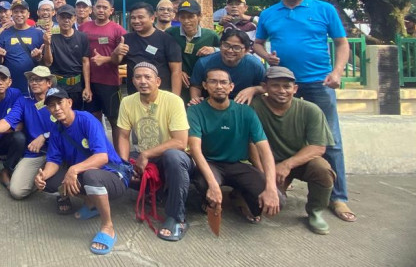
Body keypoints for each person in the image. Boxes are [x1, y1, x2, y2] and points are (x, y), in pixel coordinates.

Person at [253, 0, 356, 223]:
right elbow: (257, 43)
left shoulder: (324, 10)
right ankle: (278, 181)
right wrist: (266, 56)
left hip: (318, 83)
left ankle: (338, 197)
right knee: (273, 135)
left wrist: (337, 72)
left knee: (330, 141)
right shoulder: (268, 14)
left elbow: (342, 43)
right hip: (281, 84)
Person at [35, 87, 131, 256]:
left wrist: (74, 169)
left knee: (90, 175)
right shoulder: (57, 129)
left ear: (69, 103)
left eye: (60, 103)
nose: (56, 108)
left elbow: (102, 157)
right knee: (50, 182)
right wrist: (42, 175)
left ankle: (108, 227)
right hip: (87, 175)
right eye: (51, 106)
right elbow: (54, 160)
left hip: (114, 176)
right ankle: (92, 203)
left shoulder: (86, 119)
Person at [187, 68, 280, 225]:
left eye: (223, 82)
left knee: (274, 202)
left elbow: (264, 150)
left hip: (238, 164)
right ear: (205, 85)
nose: (219, 86)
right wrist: (213, 185)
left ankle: (239, 195)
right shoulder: (195, 111)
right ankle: (209, 197)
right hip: (211, 164)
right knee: (204, 184)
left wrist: (271, 187)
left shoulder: (246, 112)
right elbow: (195, 149)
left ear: (231, 87)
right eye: (213, 82)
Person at [250, 66, 336, 234]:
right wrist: (265, 176)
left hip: (300, 160)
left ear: (295, 89)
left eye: (287, 86)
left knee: (323, 169)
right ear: (265, 87)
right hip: (269, 164)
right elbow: (250, 144)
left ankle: (315, 211)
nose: (281, 91)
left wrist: (288, 164)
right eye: (275, 85)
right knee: (261, 205)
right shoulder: (254, 107)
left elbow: (318, 146)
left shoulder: (310, 110)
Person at [116, 62, 193, 241]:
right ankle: (159, 193)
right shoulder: (127, 102)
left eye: (147, 77)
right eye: (138, 77)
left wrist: (146, 154)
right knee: (120, 167)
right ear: (132, 81)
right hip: (147, 158)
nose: (143, 81)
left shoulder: (173, 101)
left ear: (158, 81)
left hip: (176, 157)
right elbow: (123, 137)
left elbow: (180, 142)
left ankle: (177, 218)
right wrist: (123, 164)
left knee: (172, 157)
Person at [0, 66, 55, 200]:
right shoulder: (24, 101)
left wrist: (45, 136)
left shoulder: (58, 100)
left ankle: (60, 192)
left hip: (59, 152)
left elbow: (67, 125)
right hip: (35, 154)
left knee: (64, 172)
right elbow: (9, 120)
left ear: (49, 83)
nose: (34, 82)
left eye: (39, 79)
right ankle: (36, 179)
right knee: (16, 192)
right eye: (32, 79)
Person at [79, 0, 126, 138]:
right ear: (93, 9)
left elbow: (122, 59)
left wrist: (106, 59)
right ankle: (99, 152)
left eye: (105, 7)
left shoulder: (118, 30)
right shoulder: (83, 27)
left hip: (110, 82)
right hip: (88, 81)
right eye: (98, 7)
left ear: (111, 10)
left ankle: (119, 158)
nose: (101, 10)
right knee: (93, 119)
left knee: (115, 120)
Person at [113, 2, 181, 96]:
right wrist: (116, 53)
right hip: (135, 95)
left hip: (161, 94)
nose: (136, 21)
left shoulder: (167, 40)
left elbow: (176, 71)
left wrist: (175, 98)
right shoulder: (126, 39)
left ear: (152, 18)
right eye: (133, 18)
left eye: (140, 17)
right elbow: (116, 61)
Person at [189, 28, 266, 105]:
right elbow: (196, 86)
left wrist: (253, 90)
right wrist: (196, 101)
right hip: (211, 103)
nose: (230, 51)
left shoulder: (255, 65)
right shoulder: (204, 63)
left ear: (246, 50)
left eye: (236, 48)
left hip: (243, 104)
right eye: (226, 45)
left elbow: (265, 87)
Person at [166, 0, 219, 103]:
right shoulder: (171, 33)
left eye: (191, 17)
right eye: (183, 17)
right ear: (178, 18)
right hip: (179, 83)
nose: (186, 21)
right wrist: (178, 71)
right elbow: (162, 55)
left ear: (199, 16)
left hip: (202, 84)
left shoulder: (210, 35)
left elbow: (225, 51)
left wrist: (214, 49)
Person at [0, 0, 44, 93]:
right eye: (16, 12)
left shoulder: (38, 34)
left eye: (22, 12)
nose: (19, 15)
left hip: (33, 85)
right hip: (11, 86)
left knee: (34, 107)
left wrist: (39, 57)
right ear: (11, 14)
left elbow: (47, 62)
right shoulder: (4, 34)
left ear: (28, 14)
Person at [45, 4, 91, 111]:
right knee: (58, 114)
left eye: (69, 17)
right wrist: (47, 44)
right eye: (63, 17)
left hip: (77, 85)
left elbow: (85, 62)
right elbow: (48, 62)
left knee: (77, 115)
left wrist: (87, 87)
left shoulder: (82, 37)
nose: (66, 20)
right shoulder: (51, 37)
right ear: (57, 18)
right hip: (58, 84)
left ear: (74, 18)